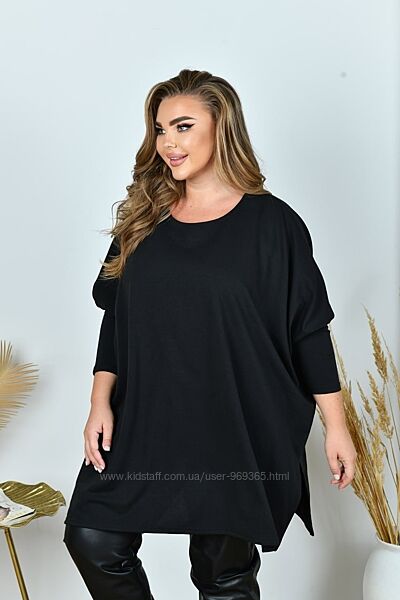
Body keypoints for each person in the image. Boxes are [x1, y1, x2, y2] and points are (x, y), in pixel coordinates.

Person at [63, 68, 357, 599]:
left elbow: (309, 331)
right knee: (92, 537)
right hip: (145, 414)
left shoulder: (274, 224)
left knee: (222, 572)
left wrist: (336, 427)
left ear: (222, 127)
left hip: (234, 419)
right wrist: (99, 401)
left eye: (183, 126)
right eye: (160, 130)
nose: (168, 143)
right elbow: (117, 319)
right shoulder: (143, 220)